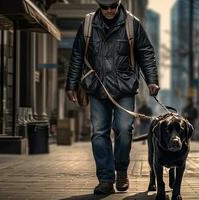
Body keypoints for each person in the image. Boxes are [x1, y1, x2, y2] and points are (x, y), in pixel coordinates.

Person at [65, 0, 159, 195]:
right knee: (99, 133)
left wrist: (152, 80)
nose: (109, 11)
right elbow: (76, 55)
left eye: (112, 7)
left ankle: (122, 171)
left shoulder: (133, 24)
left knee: (124, 130)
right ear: (99, 5)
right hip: (97, 88)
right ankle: (106, 179)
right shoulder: (88, 23)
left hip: (124, 88)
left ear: (119, 4)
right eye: (104, 7)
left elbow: (146, 54)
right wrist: (71, 84)